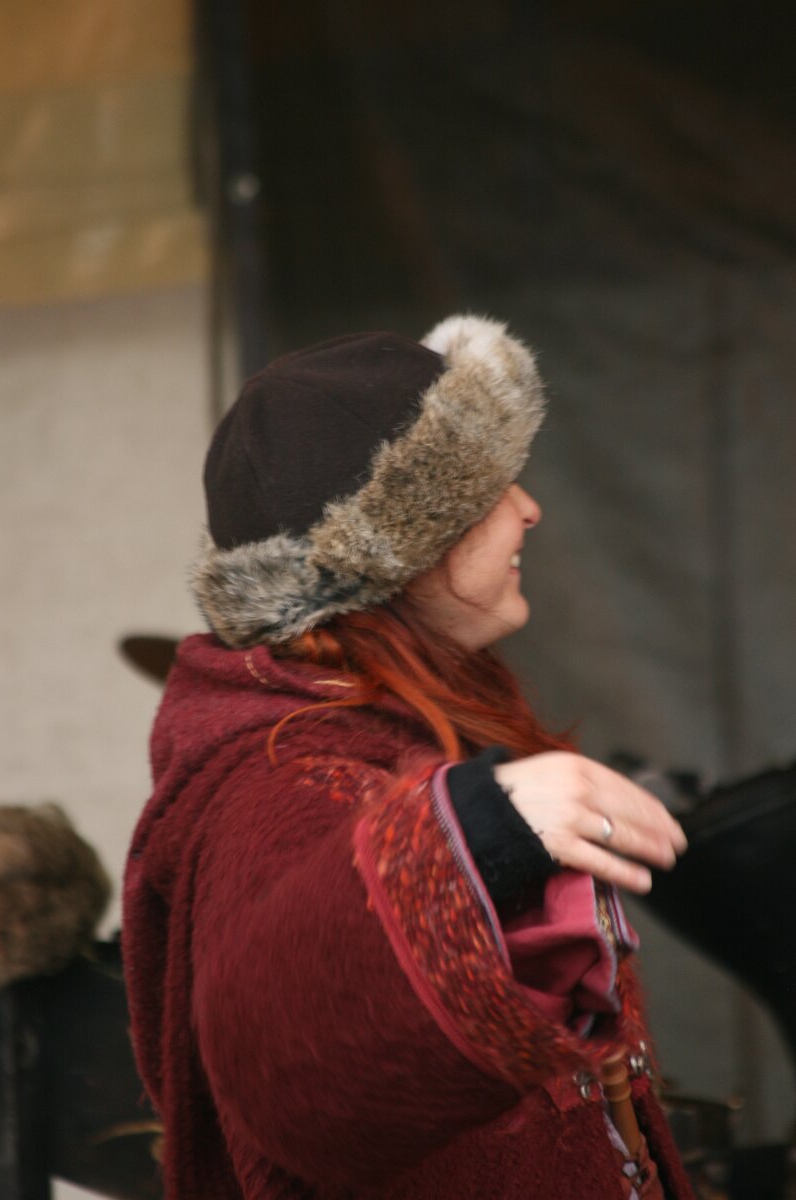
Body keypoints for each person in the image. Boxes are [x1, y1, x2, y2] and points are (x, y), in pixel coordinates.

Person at [123, 315, 693, 1199]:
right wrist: (472, 837)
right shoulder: (277, 778)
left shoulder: (390, 735)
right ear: (400, 552)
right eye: (487, 489)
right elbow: (281, 1067)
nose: (529, 508)